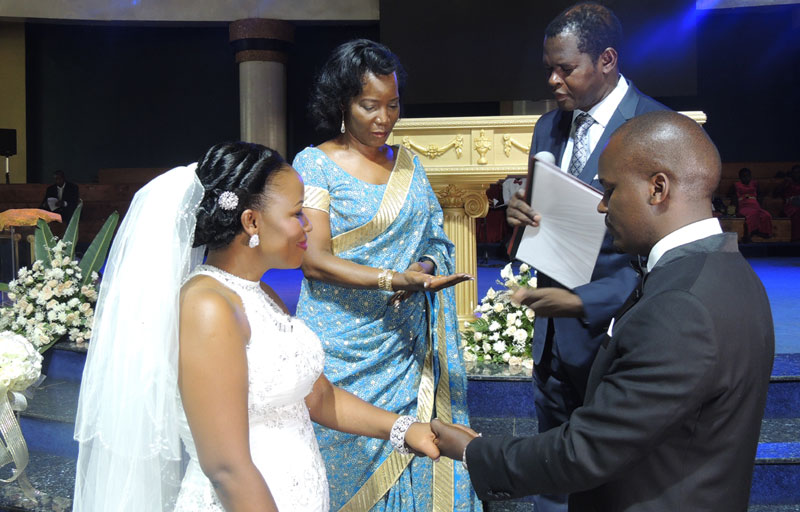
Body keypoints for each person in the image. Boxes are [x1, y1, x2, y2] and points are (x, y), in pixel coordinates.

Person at [433, 110, 775, 511]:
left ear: (658, 188)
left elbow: (588, 449)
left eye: (610, 190)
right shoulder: (730, 271)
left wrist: (475, 453)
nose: (601, 206)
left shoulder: (683, 307)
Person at [73, 142, 443, 511]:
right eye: (297, 213)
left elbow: (317, 396)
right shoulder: (208, 306)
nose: (308, 224)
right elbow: (226, 468)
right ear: (251, 221)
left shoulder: (261, 292)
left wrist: (404, 428)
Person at [293, 39, 480, 511]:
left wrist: (425, 267)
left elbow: (435, 237)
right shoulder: (315, 164)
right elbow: (313, 258)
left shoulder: (409, 164)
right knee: (350, 461)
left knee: (421, 450)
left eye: (392, 105)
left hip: (405, 346)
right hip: (344, 348)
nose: (383, 118)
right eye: (369, 105)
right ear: (342, 103)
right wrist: (393, 280)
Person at [504, 5, 669, 510]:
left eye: (566, 69)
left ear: (608, 60)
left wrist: (582, 302)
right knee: (553, 475)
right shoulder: (547, 128)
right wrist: (519, 215)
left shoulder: (657, 129)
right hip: (552, 340)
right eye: (549, 68)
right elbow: (543, 220)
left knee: (616, 481)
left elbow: (664, 257)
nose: (553, 80)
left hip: (617, 335)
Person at [732, 167, 772, 239]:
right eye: (744, 176)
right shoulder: (736, 185)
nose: (746, 178)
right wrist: (736, 210)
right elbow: (734, 199)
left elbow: (760, 196)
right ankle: (749, 233)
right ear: (740, 177)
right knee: (752, 213)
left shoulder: (755, 184)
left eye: (748, 176)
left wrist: (759, 206)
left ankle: (764, 232)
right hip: (744, 206)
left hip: (755, 206)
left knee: (766, 215)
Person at [776, 164, 800, 241]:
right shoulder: (788, 182)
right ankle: (796, 238)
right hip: (790, 205)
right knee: (797, 213)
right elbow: (776, 194)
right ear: (792, 173)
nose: (796, 174)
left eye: (798, 172)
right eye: (795, 172)